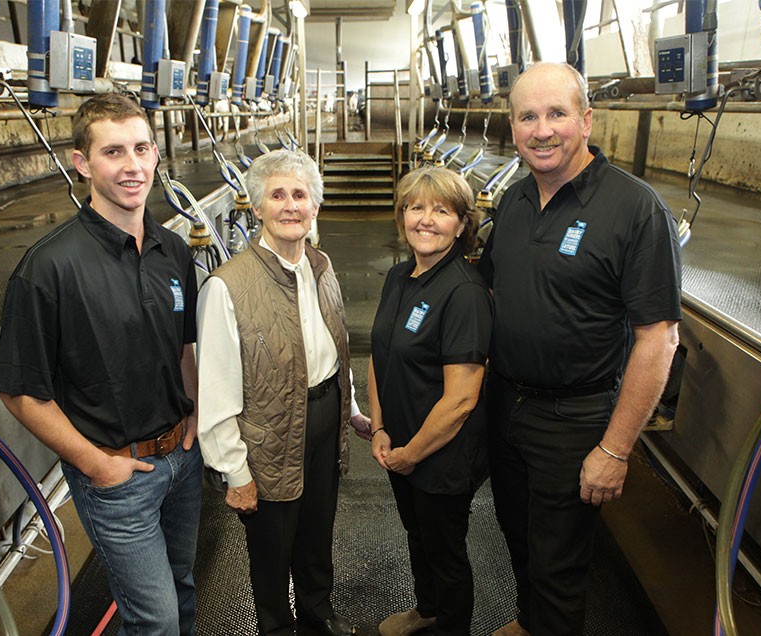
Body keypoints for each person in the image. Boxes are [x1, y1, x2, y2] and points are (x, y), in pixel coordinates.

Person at [478, 62, 682, 636]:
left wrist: (615, 450)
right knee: (517, 536)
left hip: (575, 417)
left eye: (556, 114)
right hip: (507, 403)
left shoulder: (635, 210)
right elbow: (490, 290)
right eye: (528, 117)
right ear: (512, 127)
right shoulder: (514, 203)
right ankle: (529, 622)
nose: (542, 130)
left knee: (560, 562)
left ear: (586, 120)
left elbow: (657, 338)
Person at [0, 93, 202, 636]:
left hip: (181, 459)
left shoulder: (173, 252)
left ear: (157, 154)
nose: (132, 166)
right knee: (153, 619)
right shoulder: (48, 268)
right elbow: (20, 392)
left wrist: (196, 415)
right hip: (116, 474)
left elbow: (184, 347)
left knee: (181, 586)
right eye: (113, 152)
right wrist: (95, 465)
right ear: (82, 162)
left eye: (141, 149)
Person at [195, 149, 371, 636]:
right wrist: (235, 472)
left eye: (300, 194)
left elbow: (336, 348)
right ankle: (276, 627)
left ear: (314, 205)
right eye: (277, 195)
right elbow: (215, 389)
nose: (290, 205)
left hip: (324, 415)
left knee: (317, 532)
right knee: (272, 548)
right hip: (267, 434)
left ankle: (319, 614)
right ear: (257, 207)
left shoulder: (320, 266)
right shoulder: (227, 287)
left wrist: (350, 409)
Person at [369, 166, 492, 636]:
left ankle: (451, 626)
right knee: (418, 537)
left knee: (446, 550)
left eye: (441, 210)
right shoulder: (400, 277)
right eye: (415, 208)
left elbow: (462, 400)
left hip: (440, 454)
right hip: (399, 445)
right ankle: (427, 610)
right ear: (402, 218)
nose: (426, 219)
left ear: (462, 224)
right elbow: (381, 354)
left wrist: (410, 454)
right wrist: (380, 429)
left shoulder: (463, 291)